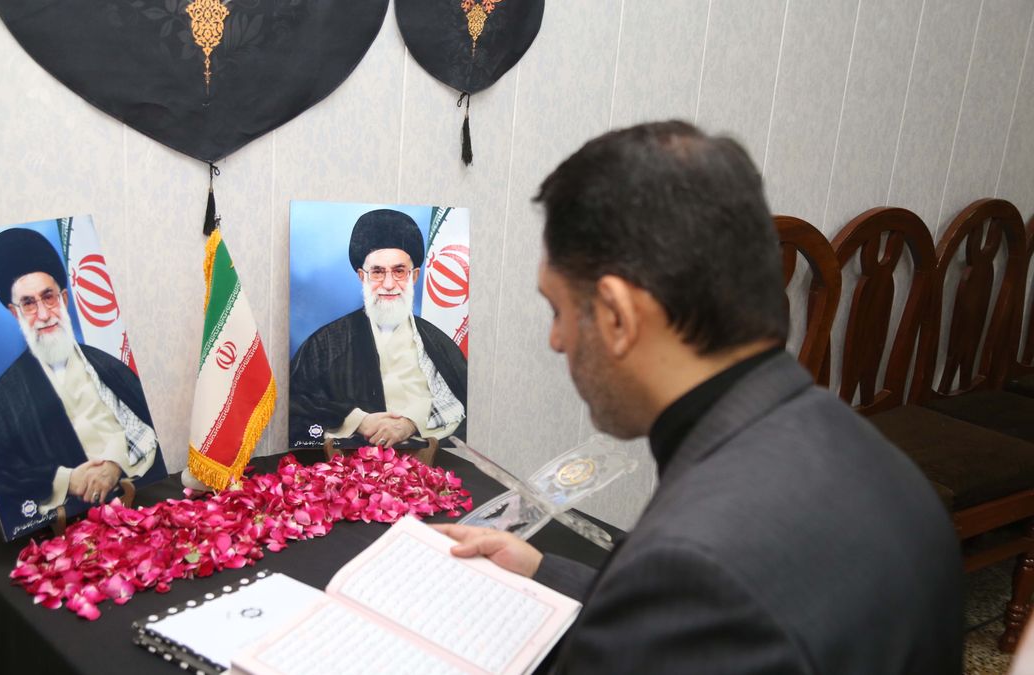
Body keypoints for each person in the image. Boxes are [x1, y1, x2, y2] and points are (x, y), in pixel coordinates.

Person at [434, 121, 963, 673]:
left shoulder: (695, 567)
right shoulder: (874, 458)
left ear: (616, 316)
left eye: (558, 308)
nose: (557, 339)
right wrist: (543, 572)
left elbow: (702, 602)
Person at [0, 227, 165, 529]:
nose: (43, 313)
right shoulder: (2, 402)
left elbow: (144, 429)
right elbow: (3, 478)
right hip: (64, 528)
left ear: (63, 298)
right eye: (28, 303)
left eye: (48, 297)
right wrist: (67, 480)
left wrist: (115, 465)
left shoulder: (107, 367)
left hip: (135, 504)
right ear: (15, 313)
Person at [289, 209, 468, 449]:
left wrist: (410, 423)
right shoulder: (324, 344)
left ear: (414, 276)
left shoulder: (438, 344)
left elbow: (458, 403)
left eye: (398, 271)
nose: (388, 284)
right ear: (362, 276)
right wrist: (358, 421)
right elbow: (297, 406)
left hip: (426, 463)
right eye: (377, 272)